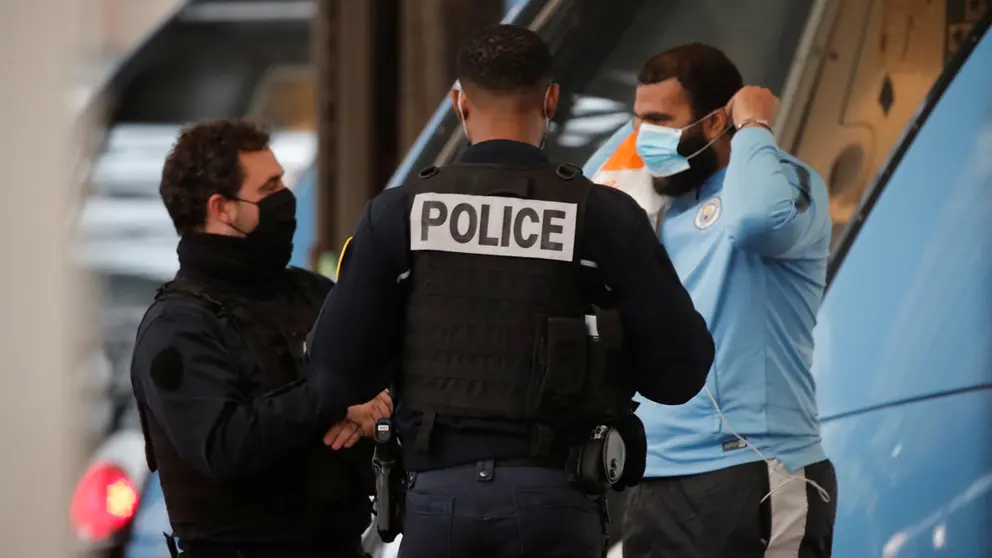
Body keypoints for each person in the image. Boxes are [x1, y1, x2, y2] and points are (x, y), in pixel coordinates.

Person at [304, 24, 715, 558]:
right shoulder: (604, 217)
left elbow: (334, 371)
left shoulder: (397, 214)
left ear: (459, 103)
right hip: (555, 499)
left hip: (436, 503)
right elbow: (680, 372)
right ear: (551, 99)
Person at [603, 43, 838, 557]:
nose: (644, 138)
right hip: (657, 475)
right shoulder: (663, 205)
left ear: (715, 123)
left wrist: (753, 126)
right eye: (637, 120)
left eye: (659, 121)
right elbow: (590, 208)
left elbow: (760, 223)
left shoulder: (783, 182)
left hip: (756, 468)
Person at [130, 119, 392, 558]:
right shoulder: (177, 327)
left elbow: (389, 376)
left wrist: (377, 410)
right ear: (222, 208)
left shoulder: (315, 294)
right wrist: (333, 397)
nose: (285, 198)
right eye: (269, 187)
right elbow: (225, 444)